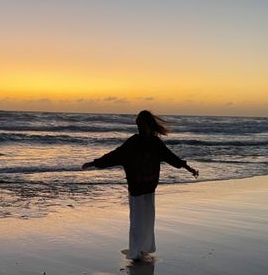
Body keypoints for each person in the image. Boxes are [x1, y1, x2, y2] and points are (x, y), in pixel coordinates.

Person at [82, 110, 198, 261]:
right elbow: (115, 155)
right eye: (138, 125)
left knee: (148, 221)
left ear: (150, 126)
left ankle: (144, 250)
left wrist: (189, 168)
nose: (140, 129)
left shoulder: (156, 143)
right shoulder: (133, 142)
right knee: (137, 221)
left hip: (150, 187)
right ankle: (136, 253)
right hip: (136, 189)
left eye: (142, 125)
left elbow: (171, 157)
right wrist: (95, 162)